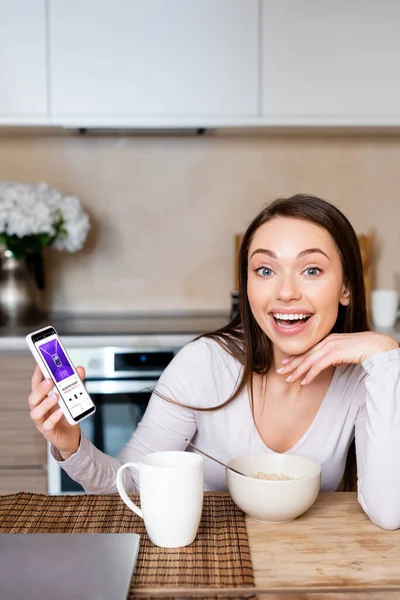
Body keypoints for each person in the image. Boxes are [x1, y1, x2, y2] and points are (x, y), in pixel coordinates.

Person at [28, 194, 400, 530]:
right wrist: (70, 443)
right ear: (246, 284)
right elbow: (124, 487)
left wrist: (385, 354)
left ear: (347, 287)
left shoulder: (368, 377)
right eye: (265, 271)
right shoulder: (204, 364)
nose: (286, 292)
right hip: (206, 555)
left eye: (312, 270)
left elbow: (389, 511)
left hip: (313, 563)